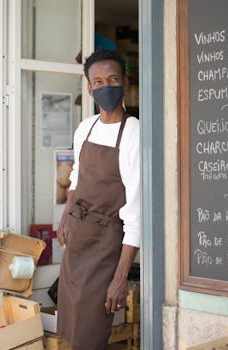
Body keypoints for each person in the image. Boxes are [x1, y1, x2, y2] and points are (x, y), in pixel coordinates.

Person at [56, 48, 140, 350]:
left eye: (113, 79)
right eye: (99, 82)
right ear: (90, 89)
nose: (107, 87)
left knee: (91, 333)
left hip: (106, 244)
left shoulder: (134, 133)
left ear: (126, 82)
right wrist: (65, 216)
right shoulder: (85, 127)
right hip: (78, 239)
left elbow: (136, 214)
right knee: (71, 327)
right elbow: (77, 178)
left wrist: (120, 278)